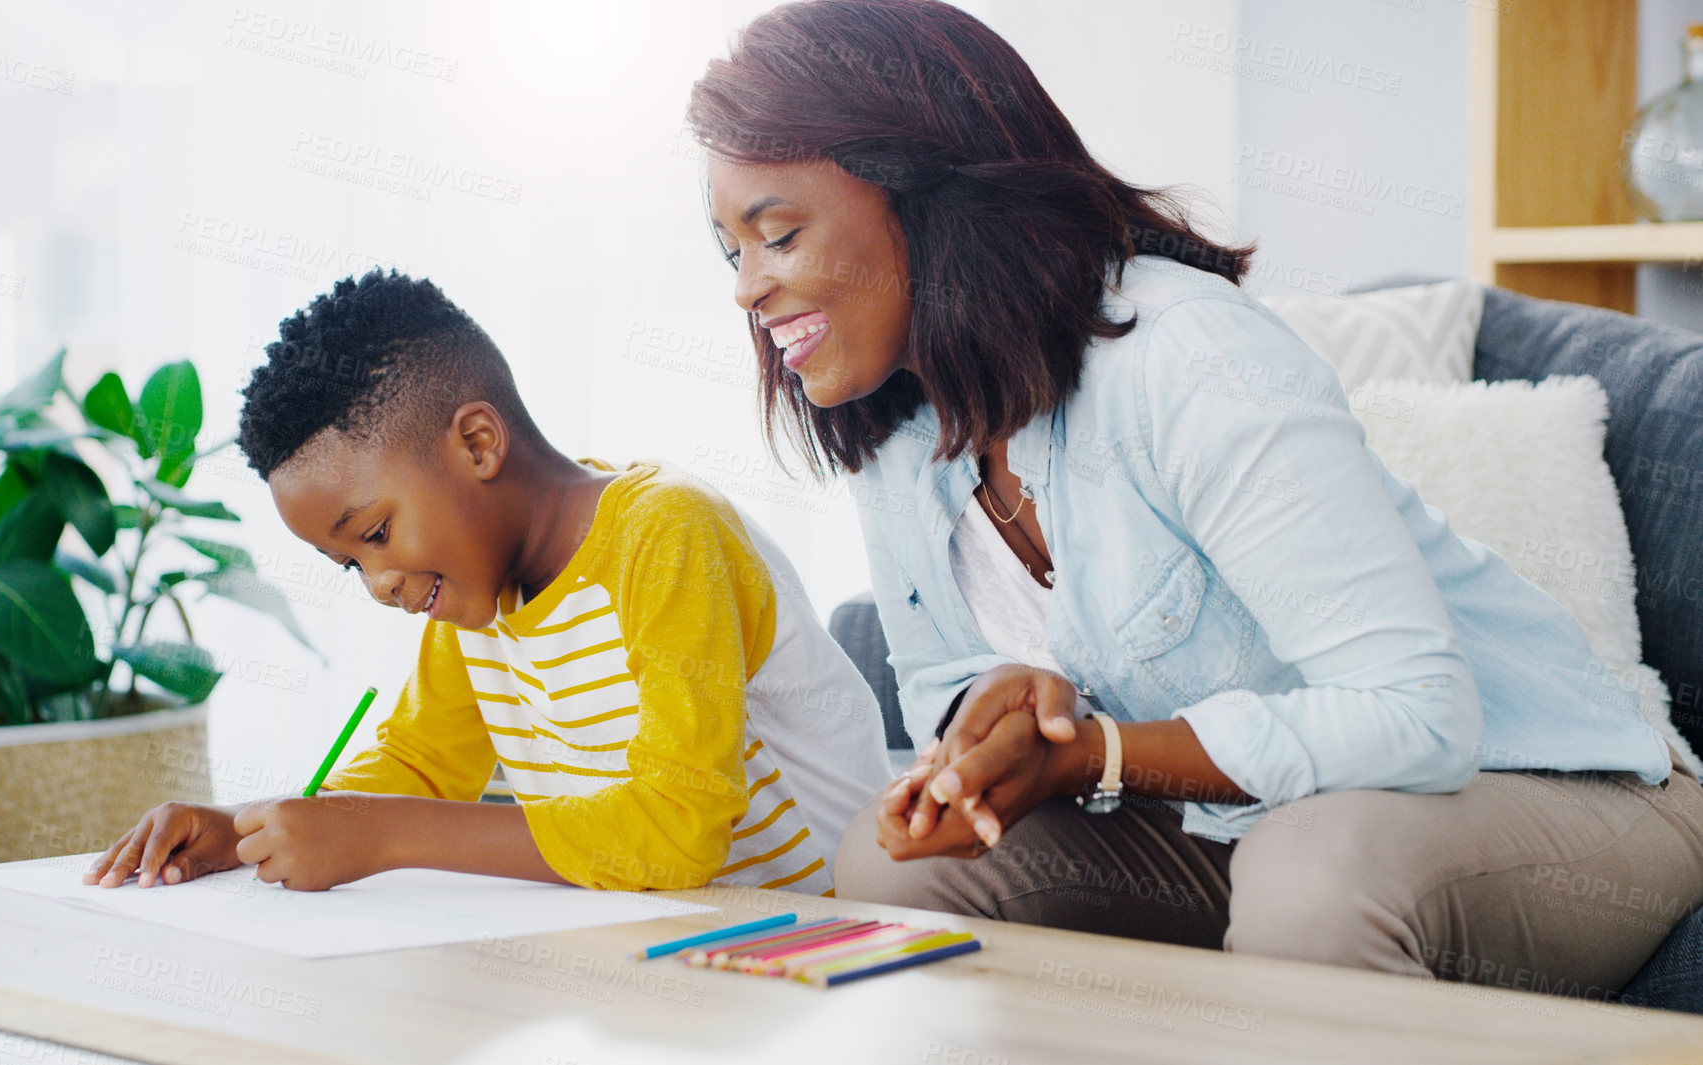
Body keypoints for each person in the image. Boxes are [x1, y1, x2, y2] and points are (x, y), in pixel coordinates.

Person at [685, 0, 1703, 997]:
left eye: (777, 236)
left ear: (926, 197)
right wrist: (1001, 714)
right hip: (1246, 823)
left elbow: (1415, 717)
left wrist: (1098, 754)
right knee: (896, 862)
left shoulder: (1190, 357)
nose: (745, 289)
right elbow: (937, 677)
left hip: (1552, 787)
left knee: (1311, 880)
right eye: (732, 249)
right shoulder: (895, 424)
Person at [82, 269, 891, 894]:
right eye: (351, 565)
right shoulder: (476, 601)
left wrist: (379, 836)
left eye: (374, 534)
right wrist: (241, 828)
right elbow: (421, 766)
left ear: (475, 443)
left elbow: (677, 831)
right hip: (659, 939)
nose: (378, 584)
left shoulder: (666, 531)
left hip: (810, 934)